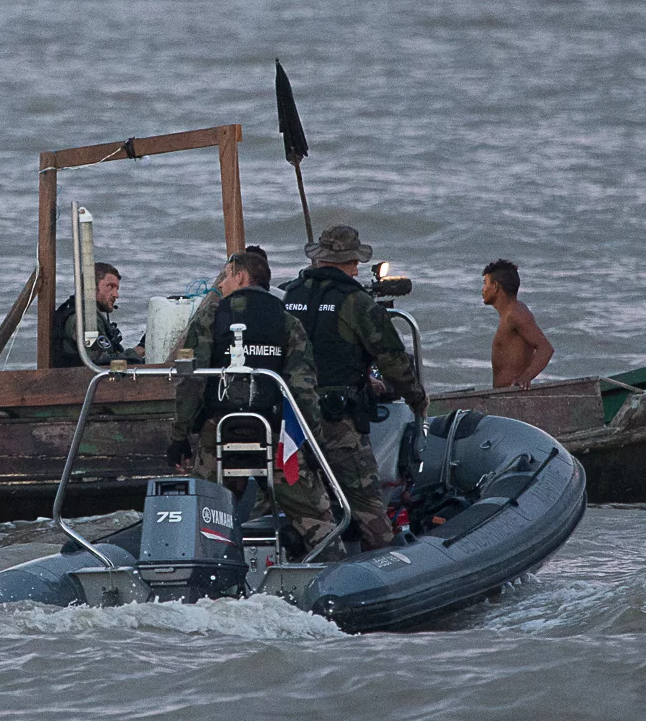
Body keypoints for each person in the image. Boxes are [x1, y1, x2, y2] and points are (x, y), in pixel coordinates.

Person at [165, 248, 337, 553]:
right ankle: (332, 567)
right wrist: (312, 442)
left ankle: (197, 562)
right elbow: (303, 389)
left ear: (241, 276)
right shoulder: (287, 322)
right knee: (317, 518)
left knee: (200, 514)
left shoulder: (210, 316)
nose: (221, 284)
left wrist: (179, 437)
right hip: (274, 433)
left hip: (219, 433)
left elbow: (191, 382)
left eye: (226, 276)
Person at [281, 224, 424, 551]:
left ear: (319, 258)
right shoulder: (356, 302)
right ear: (354, 263)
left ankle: (298, 558)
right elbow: (392, 360)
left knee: (299, 499)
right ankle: (385, 564)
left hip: (291, 418)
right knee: (366, 503)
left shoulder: (291, 295)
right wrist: (417, 398)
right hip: (337, 419)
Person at [50, 261, 145, 368]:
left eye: (117, 289)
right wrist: (138, 351)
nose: (116, 295)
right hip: (82, 377)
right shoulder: (85, 319)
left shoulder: (85, 313)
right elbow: (100, 362)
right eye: (110, 287)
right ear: (91, 287)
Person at [482, 258, 553, 388]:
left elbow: (546, 348)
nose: (483, 289)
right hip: (503, 395)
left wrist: (526, 377)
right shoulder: (511, 313)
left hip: (513, 395)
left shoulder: (515, 314)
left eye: (485, 283)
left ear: (495, 286)